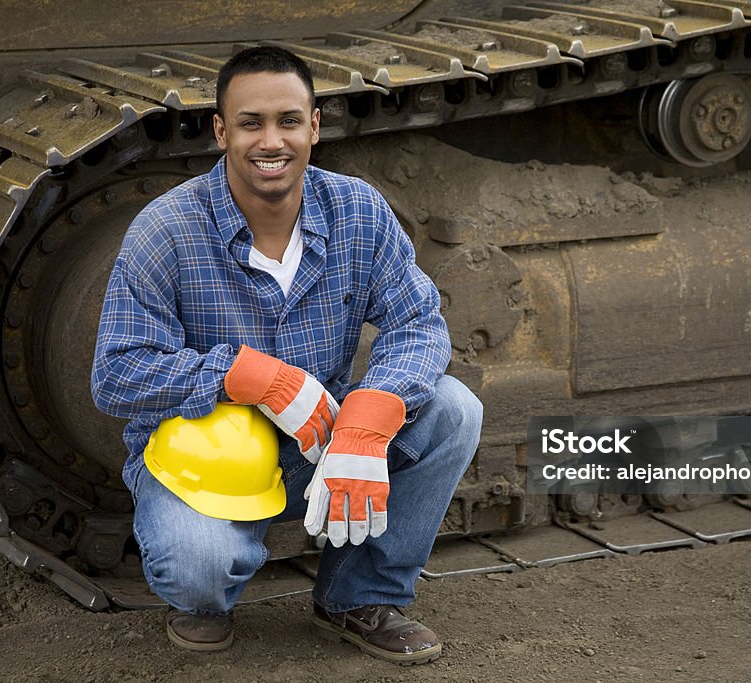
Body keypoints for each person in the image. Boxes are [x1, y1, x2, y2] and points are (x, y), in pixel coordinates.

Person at [91, 46, 483, 664]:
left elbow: (419, 325)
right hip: (206, 461)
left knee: (454, 409)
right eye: (250, 123)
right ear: (221, 131)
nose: (271, 141)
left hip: (320, 443)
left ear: (315, 125)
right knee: (197, 571)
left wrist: (368, 419)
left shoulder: (357, 210)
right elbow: (115, 375)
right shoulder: (165, 230)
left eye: (289, 121)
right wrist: (249, 376)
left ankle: (357, 598)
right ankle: (204, 590)